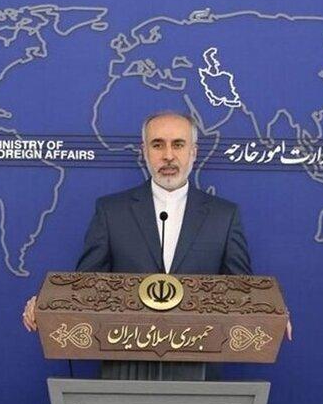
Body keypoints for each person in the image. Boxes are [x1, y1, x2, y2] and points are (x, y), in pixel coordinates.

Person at [22, 111, 292, 344]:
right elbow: (85, 287)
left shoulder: (224, 216)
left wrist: (271, 313)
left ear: (193, 152)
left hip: (199, 366)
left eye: (178, 145)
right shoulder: (111, 212)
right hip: (124, 364)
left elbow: (242, 291)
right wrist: (46, 305)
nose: (168, 156)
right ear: (144, 151)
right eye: (158, 145)